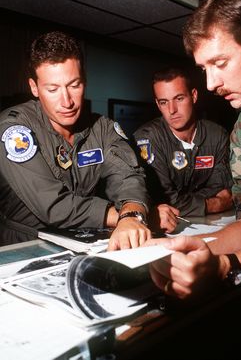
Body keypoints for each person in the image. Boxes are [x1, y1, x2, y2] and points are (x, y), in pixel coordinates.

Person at [144, 0, 241, 300]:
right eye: (204, 69)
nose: (211, 84)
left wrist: (225, 268)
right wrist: (182, 250)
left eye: (220, 63)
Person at [0, 30, 161, 250]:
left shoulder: (102, 127)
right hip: (23, 247)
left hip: (81, 241)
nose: (67, 101)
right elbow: (52, 206)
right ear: (34, 88)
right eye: (53, 89)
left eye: (74, 85)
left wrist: (133, 213)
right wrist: (123, 217)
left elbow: (127, 176)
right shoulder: (15, 130)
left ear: (84, 81)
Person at [133, 66, 233, 217]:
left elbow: (221, 188)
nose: (172, 110)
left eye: (179, 98)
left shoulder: (217, 136)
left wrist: (190, 203)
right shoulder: (147, 138)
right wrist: (214, 204)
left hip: (212, 224)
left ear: (193, 96)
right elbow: (164, 199)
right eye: (164, 102)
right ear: (157, 104)